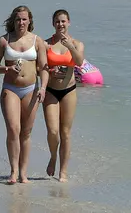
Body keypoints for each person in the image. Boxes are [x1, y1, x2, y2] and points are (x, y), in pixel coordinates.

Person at [0, 6, 48, 185]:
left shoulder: (37, 41)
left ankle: (24, 173)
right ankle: (13, 171)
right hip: (10, 88)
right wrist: (7, 68)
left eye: (24, 19)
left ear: (30, 21)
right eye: (18, 20)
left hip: (31, 89)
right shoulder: (4, 41)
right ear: (13, 21)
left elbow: (43, 68)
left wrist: (43, 87)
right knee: (13, 129)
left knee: (26, 132)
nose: (21, 23)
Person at [42, 9, 84, 182]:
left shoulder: (77, 43)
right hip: (51, 90)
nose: (60, 24)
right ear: (53, 24)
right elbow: (40, 69)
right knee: (53, 131)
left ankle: (63, 171)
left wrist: (70, 47)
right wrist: (50, 71)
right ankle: (53, 156)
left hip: (69, 90)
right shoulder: (46, 44)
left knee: (65, 133)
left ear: (69, 23)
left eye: (63, 21)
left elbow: (80, 62)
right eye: (57, 21)